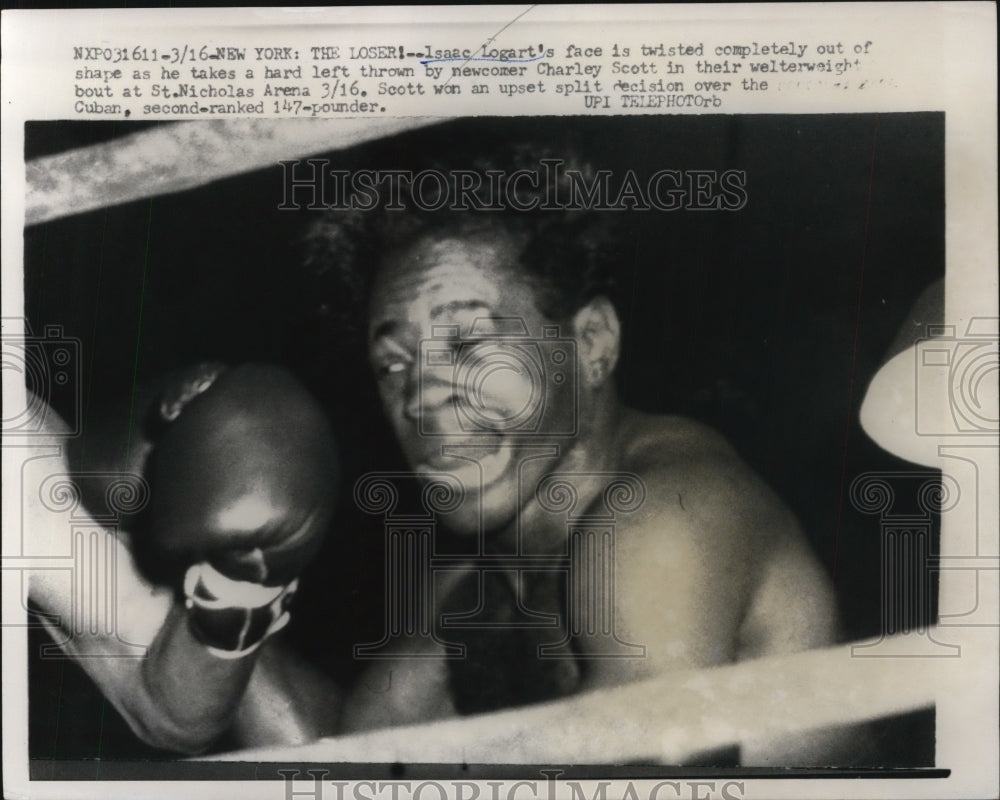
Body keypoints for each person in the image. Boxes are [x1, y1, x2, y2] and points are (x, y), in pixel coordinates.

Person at [22, 141, 847, 763]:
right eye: (392, 363)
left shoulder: (667, 518)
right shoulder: (476, 581)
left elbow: (643, 774)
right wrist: (242, 575)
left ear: (591, 343)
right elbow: (344, 763)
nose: (420, 395)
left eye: (468, 343)